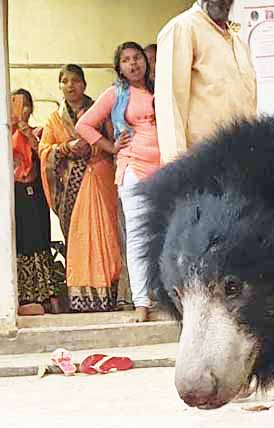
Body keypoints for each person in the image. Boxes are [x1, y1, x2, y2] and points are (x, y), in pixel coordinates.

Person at [76, 42, 160, 322]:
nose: (133, 64)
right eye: (126, 60)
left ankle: (167, 297)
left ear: (146, 62)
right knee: (137, 236)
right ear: (119, 67)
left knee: (166, 234)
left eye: (137, 58)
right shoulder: (116, 93)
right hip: (133, 167)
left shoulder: (159, 89)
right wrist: (111, 147)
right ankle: (141, 302)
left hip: (165, 169)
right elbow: (84, 125)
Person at [39, 64, 122, 313]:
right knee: (79, 238)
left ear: (84, 84)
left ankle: (113, 293)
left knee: (108, 234)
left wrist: (98, 147)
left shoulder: (100, 110)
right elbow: (44, 151)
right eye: (65, 81)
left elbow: (115, 139)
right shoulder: (55, 118)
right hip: (70, 187)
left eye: (75, 81)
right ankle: (82, 297)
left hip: (101, 177)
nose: (70, 86)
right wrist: (66, 148)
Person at [155, 0, 257, 164]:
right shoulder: (182, 28)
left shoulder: (238, 41)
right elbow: (170, 104)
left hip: (241, 160)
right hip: (202, 164)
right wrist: (176, 173)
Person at [11, 89, 63, 315]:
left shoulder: (39, 132)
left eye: (23, 105)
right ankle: (23, 296)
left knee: (39, 240)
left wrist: (25, 130)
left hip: (35, 193)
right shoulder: (6, 135)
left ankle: (48, 295)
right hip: (15, 194)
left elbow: (43, 155)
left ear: (30, 108)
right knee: (20, 242)